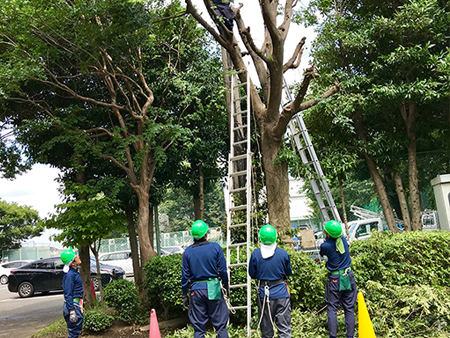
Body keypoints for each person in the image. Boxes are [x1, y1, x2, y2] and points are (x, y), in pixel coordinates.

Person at [181, 220, 230, 338]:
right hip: (213, 287)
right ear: (206, 234)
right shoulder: (216, 248)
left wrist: (184, 294)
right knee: (221, 326)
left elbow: (185, 277)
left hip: (196, 290)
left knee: (198, 329)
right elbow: (223, 271)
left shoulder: (188, 251)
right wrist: (226, 286)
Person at [248, 224, 292, 338]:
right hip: (282, 293)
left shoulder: (256, 254)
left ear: (260, 238)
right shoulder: (283, 253)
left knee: (266, 330)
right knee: (284, 329)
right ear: (275, 237)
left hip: (265, 295)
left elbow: (252, 274)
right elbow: (288, 272)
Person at [320, 220, 357, 338]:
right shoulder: (344, 240)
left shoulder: (325, 246)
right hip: (348, 275)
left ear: (328, 234)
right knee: (349, 308)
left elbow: (323, 254)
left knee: (332, 308)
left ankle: (333, 336)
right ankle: (350, 336)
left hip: (335, 278)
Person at [61, 247, 84, 338]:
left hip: (76, 304)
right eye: (75, 256)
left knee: (75, 333)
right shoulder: (70, 275)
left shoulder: (73, 273)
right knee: (73, 334)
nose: (78, 256)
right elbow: (68, 294)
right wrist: (72, 311)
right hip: (73, 306)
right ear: (72, 262)